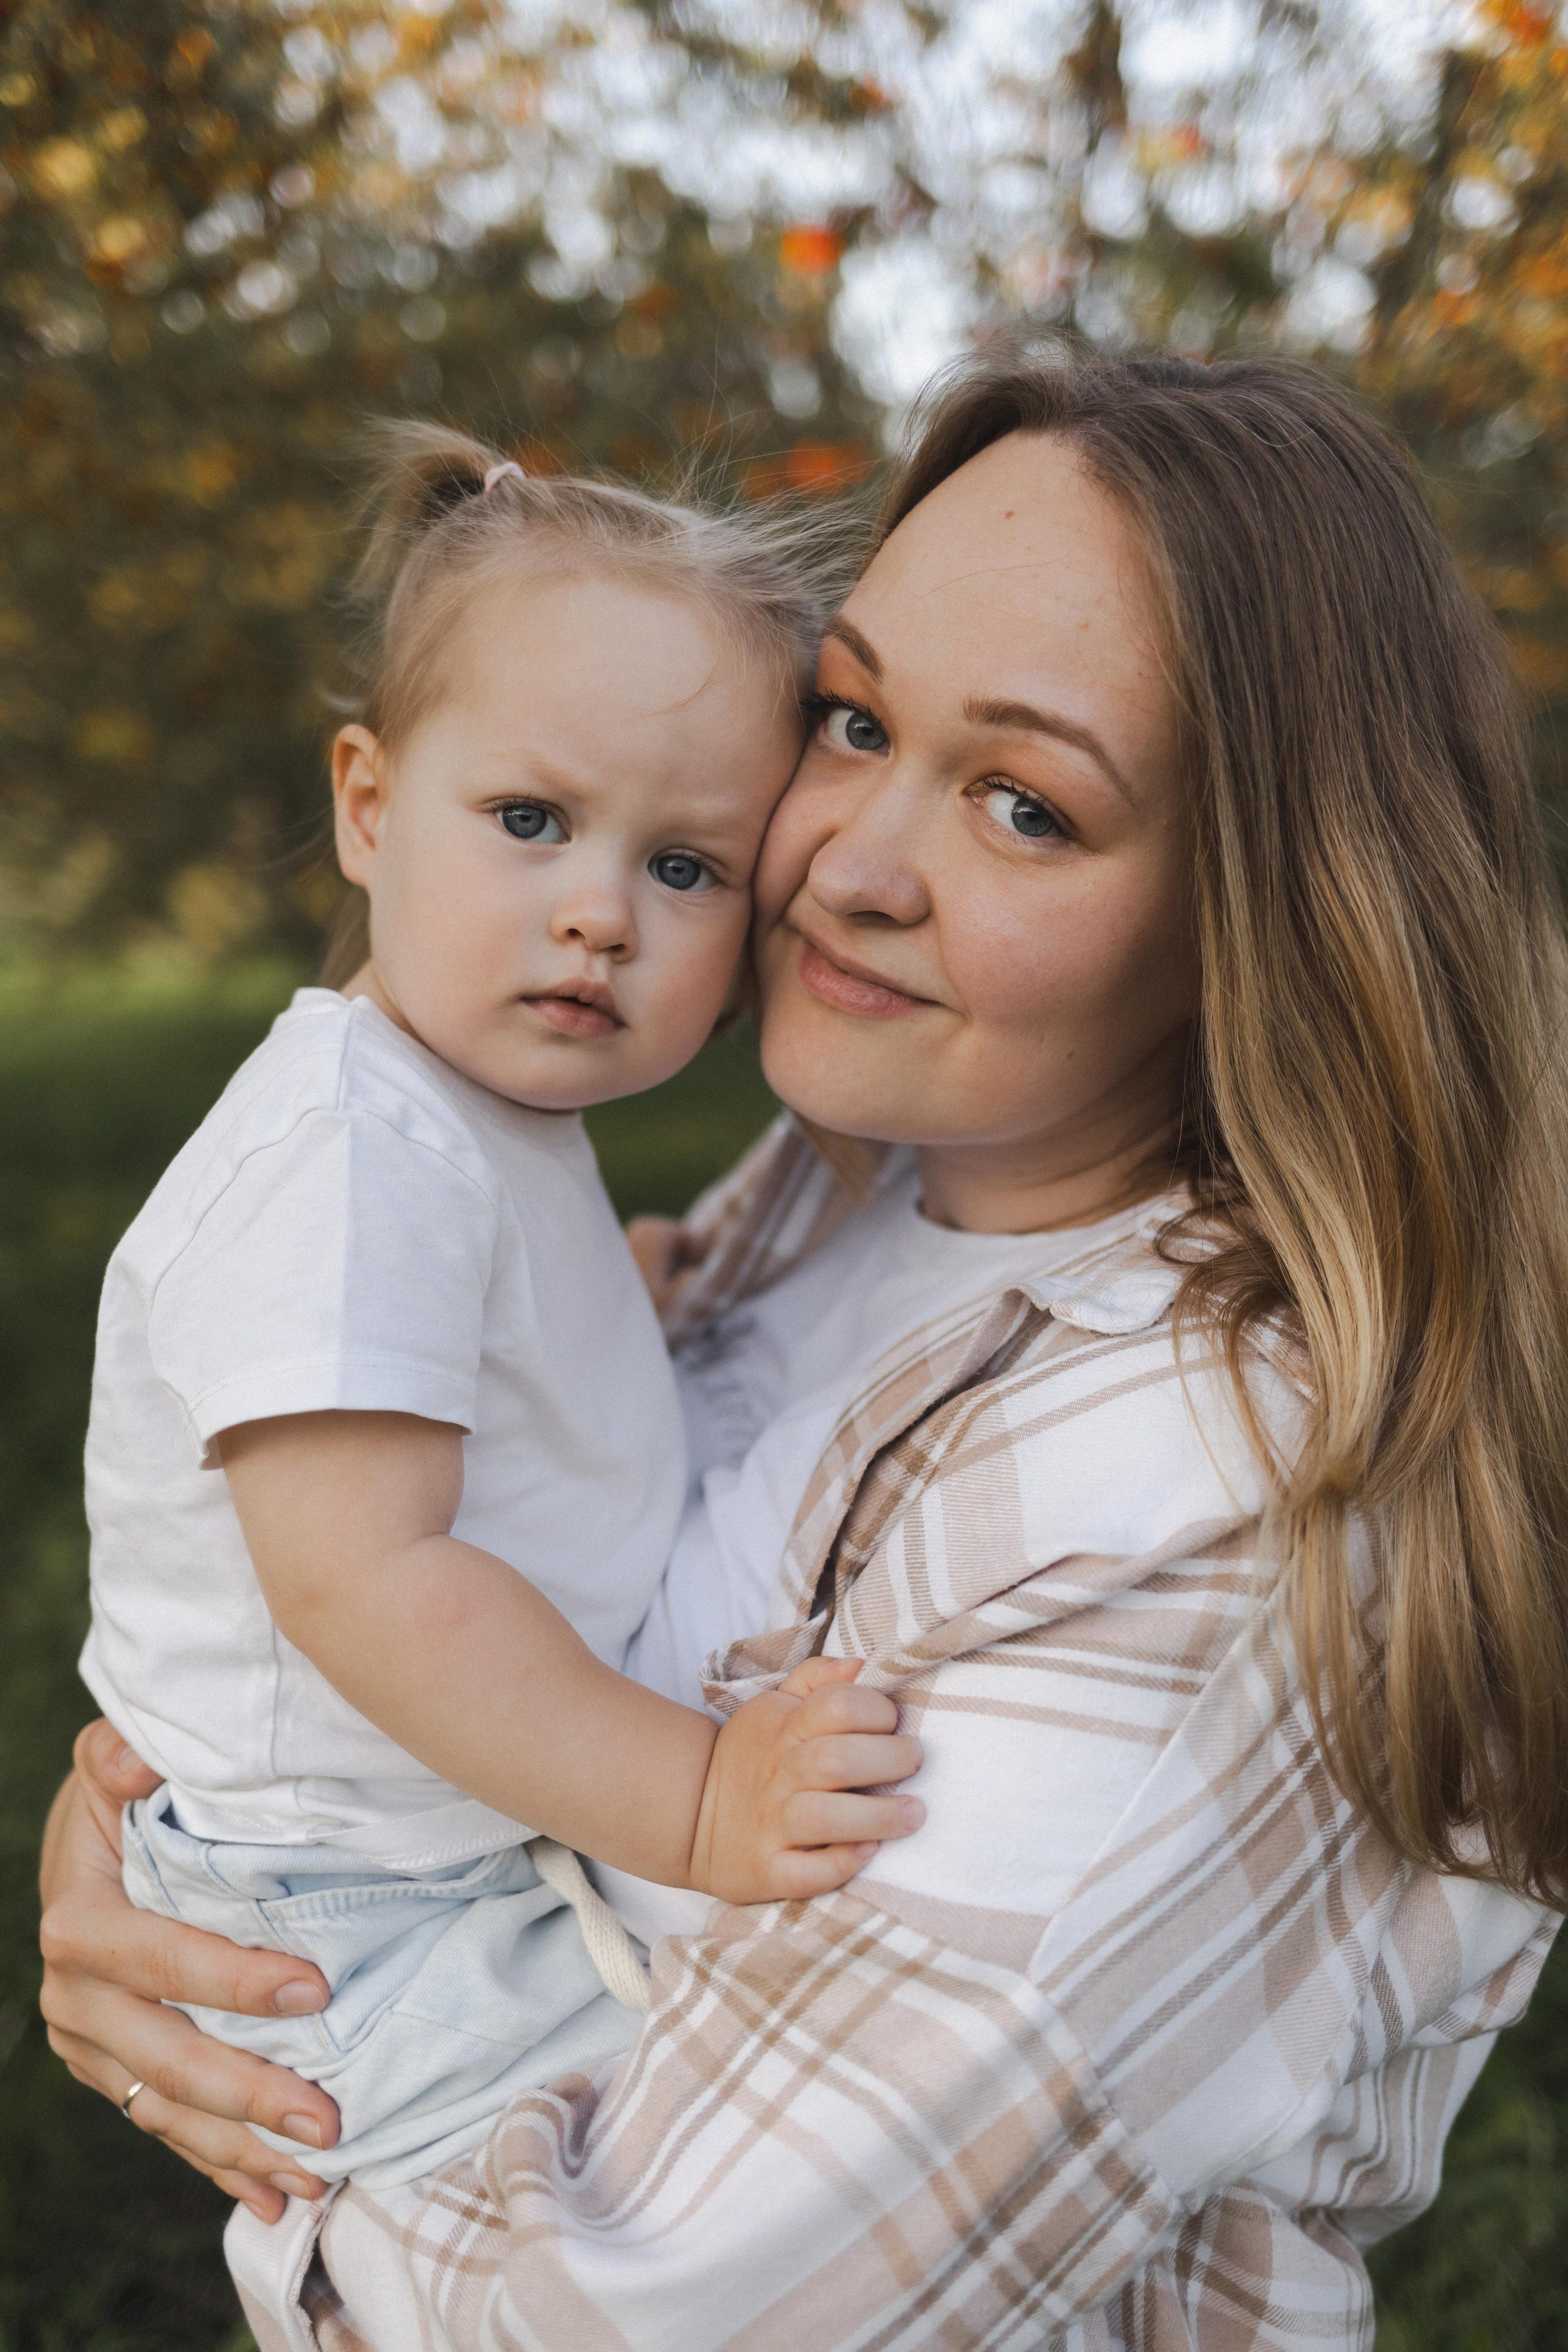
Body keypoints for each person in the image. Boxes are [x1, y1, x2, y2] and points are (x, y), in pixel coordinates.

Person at [40, 350, 1568, 2352]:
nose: (842, 863)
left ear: (1268, 916)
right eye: (851, 722)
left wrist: (230, 2058)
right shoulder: (859, 1159)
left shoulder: (1224, 1527)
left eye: (1028, 803)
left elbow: (627, 2325)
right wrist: (178, 1874)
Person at [75, 426, 922, 2196]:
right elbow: (367, 1581)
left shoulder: (463, 1118)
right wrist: (697, 1802)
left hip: (419, 1839)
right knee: (670, 2177)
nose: (600, 913)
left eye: (686, 867)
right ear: (369, 806)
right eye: (530, 823)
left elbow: (447, 1357)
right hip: (358, 1901)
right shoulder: (346, 1161)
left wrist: (598, 1308)